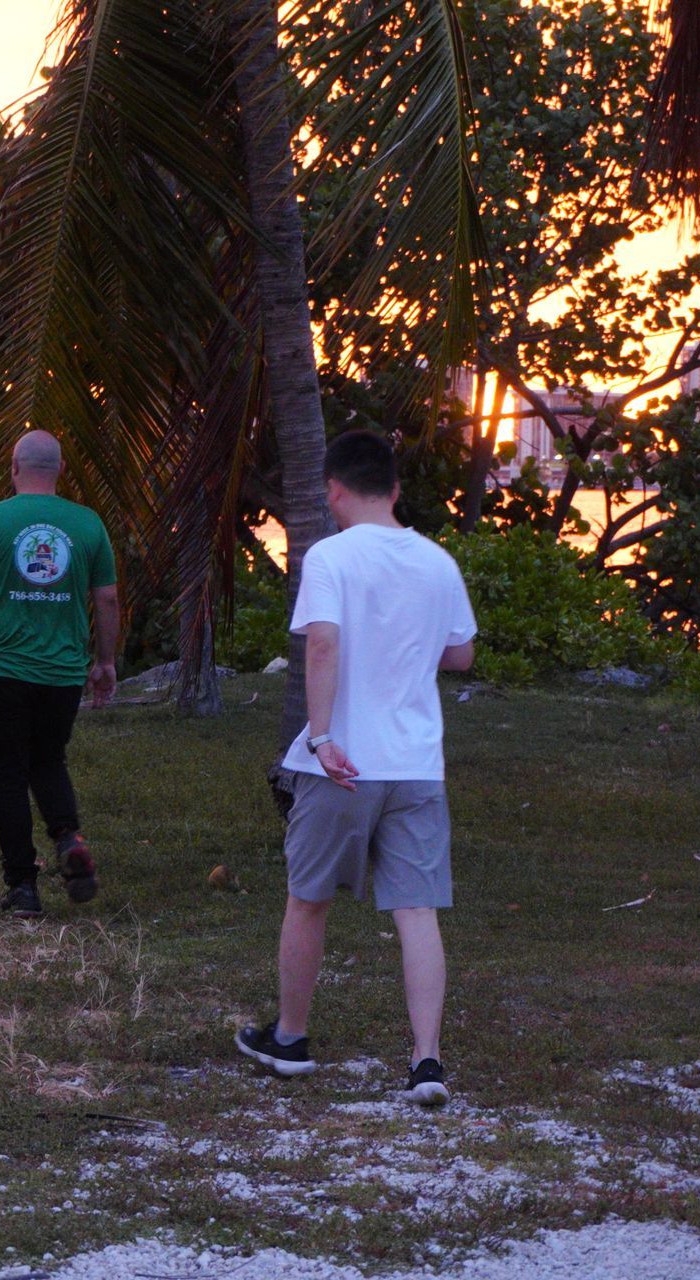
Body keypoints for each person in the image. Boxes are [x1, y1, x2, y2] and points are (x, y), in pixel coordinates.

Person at [234, 430, 477, 1107]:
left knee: (308, 897)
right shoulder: (437, 562)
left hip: (342, 762)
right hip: (418, 765)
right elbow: (460, 655)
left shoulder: (330, 557)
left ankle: (291, 1038)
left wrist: (319, 737)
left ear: (333, 490)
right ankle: (426, 1061)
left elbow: (321, 644)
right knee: (417, 907)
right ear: (396, 490)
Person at [0, 431, 119, 918]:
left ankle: (22, 886)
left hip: (1, 669)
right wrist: (104, 662)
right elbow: (108, 599)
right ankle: (68, 835)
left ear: (13, 467)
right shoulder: (87, 524)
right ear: (59, 470)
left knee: (7, 773)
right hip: (62, 673)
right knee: (48, 758)